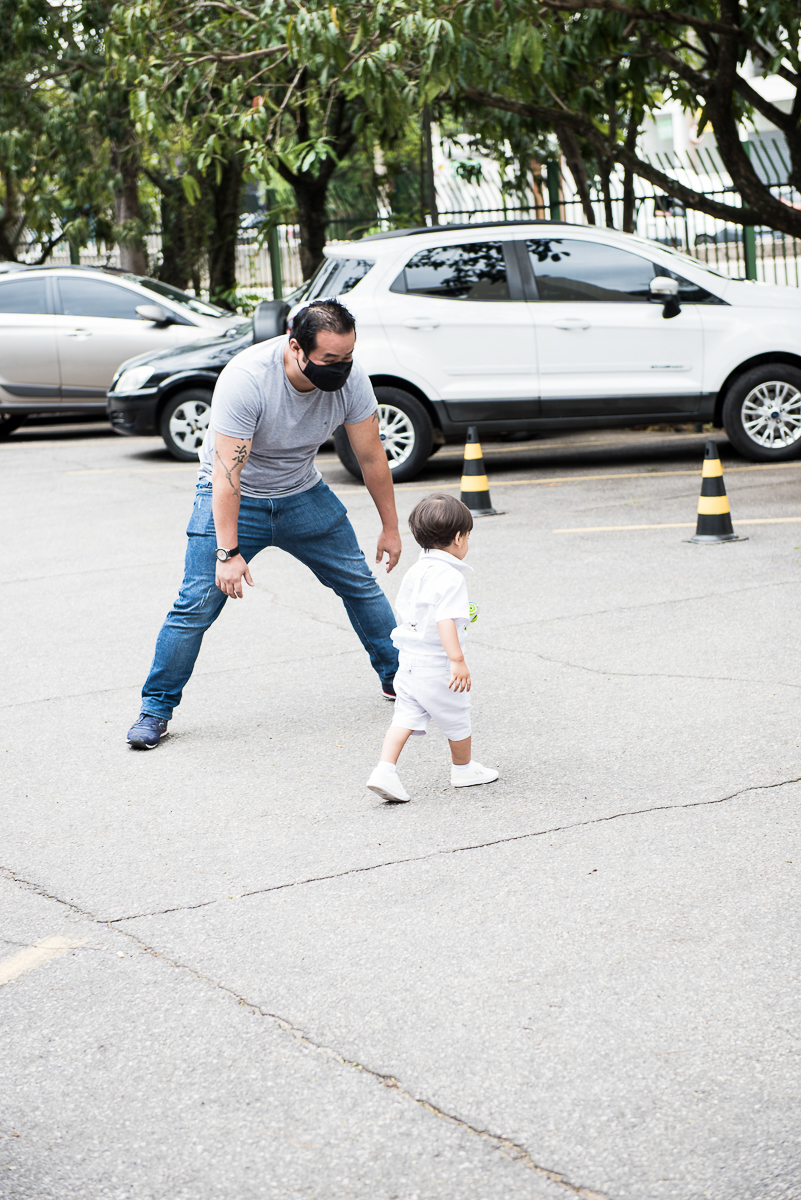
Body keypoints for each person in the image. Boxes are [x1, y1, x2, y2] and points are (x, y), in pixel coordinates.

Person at [127, 298, 401, 749]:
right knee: (195, 605)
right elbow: (227, 475)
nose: (341, 368)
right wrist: (228, 552)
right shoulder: (248, 379)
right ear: (296, 348)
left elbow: (371, 456)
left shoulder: (353, 381)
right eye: (330, 360)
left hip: (302, 493)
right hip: (238, 497)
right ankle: (155, 710)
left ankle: (398, 677)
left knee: (359, 584)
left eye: (348, 357)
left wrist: (390, 528)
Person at [366, 492, 499, 802]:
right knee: (457, 715)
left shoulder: (417, 571)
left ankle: (385, 769)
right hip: (437, 665)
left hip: (409, 663)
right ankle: (463, 768)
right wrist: (457, 660)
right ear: (457, 538)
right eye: (466, 536)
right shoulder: (451, 577)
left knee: (405, 717)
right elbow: (445, 620)